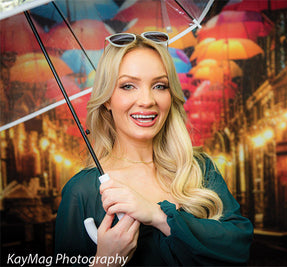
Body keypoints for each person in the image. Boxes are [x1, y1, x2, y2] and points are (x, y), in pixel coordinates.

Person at [55, 32, 253, 266]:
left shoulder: (198, 169)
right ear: (107, 99)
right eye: (128, 86)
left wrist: (159, 217)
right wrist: (103, 263)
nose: (147, 100)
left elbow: (238, 247)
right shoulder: (82, 191)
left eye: (159, 86)